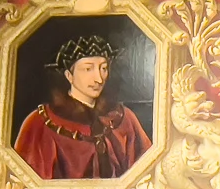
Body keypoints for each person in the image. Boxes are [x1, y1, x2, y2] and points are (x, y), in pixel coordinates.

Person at [12, 34, 151, 180]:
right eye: (88, 69)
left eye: (103, 68)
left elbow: (146, 174)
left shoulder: (125, 119)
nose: (99, 78)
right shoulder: (39, 123)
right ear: (69, 75)